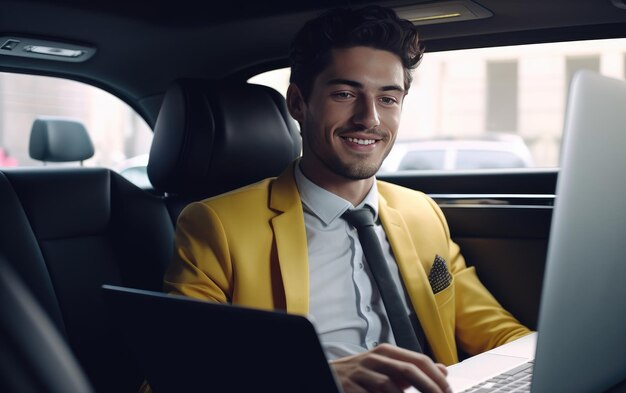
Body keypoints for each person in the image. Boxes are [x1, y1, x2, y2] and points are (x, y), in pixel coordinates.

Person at [158, 6, 531, 393]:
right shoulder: (215, 224)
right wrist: (313, 379)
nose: (369, 118)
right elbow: (175, 376)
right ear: (298, 103)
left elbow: (497, 332)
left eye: (388, 99)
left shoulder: (422, 212)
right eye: (345, 94)